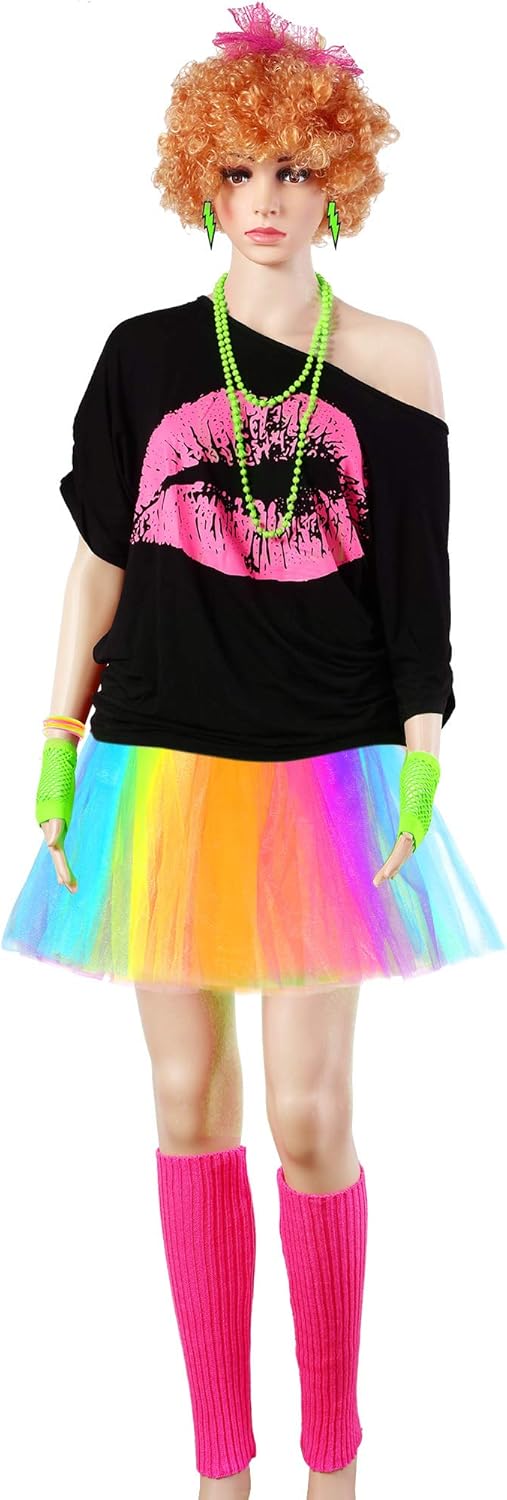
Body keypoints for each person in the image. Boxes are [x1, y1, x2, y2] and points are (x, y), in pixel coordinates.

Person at [1, 7, 505, 1499]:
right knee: (184, 1107)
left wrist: (423, 746)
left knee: (310, 1115)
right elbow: (101, 556)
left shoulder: (397, 364)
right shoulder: (141, 356)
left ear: (339, 178)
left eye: (294, 167)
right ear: (201, 181)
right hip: (157, 765)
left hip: (331, 770)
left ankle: (331, 1465)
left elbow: (418, 586)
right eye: (239, 171)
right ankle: (220, 1468)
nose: (267, 199)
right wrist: (56, 735)